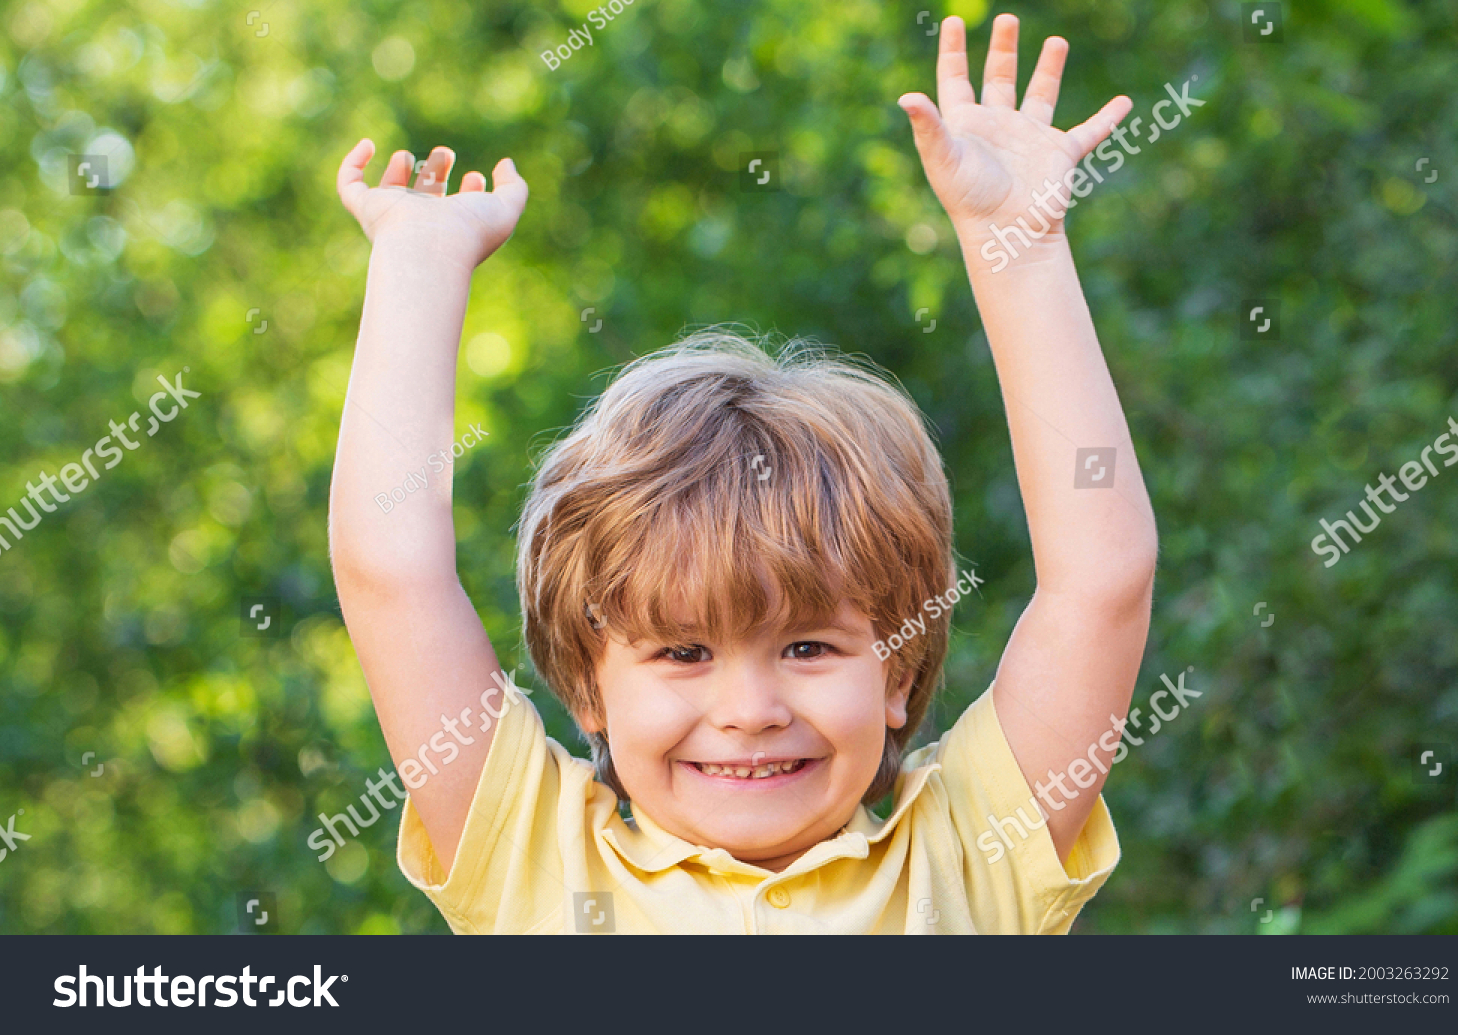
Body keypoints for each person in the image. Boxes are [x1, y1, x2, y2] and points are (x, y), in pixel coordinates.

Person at [329, 12, 1156, 934]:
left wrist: (1021, 246)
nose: (751, 711)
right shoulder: (535, 853)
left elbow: (1100, 584)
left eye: (809, 647)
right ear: (591, 690)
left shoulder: (970, 852)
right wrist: (416, 261)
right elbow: (391, 575)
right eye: (683, 652)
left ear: (897, 671)